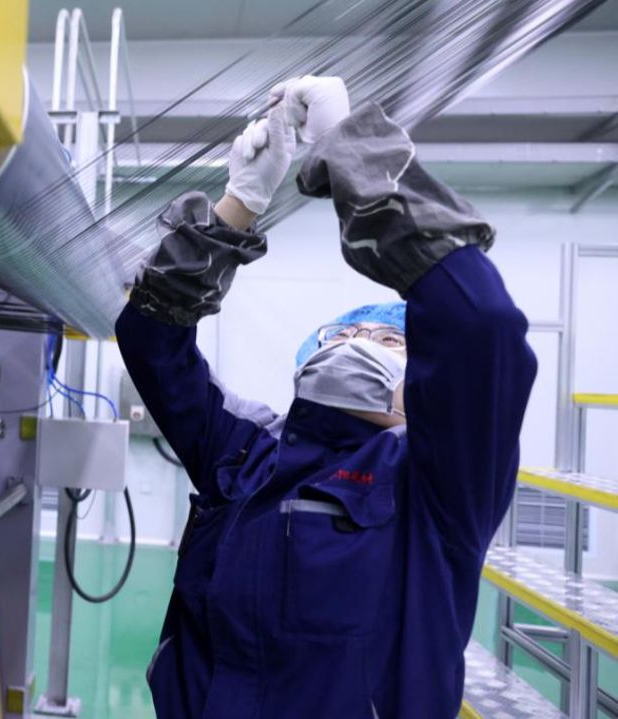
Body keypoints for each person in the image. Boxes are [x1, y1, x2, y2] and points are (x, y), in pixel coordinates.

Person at [116, 75, 537, 718]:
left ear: (421, 388)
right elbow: (150, 339)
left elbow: (481, 325)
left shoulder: (437, 488)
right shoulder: (245, 454)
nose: (356, 341)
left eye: (384, 337)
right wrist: (238, 205)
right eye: (343, 333)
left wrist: (353, 154)